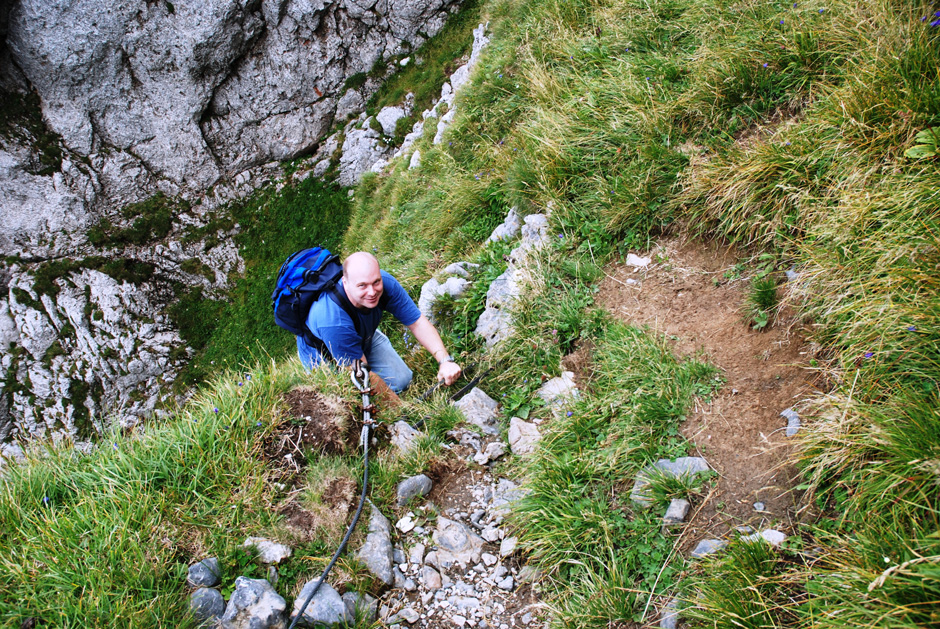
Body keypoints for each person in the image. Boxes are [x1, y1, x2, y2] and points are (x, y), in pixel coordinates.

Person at [296, 251, 462, 392]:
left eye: (376, 282)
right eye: (362, 285)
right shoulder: (333, 320)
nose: (372, 292)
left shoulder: (386, 283)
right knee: (355, 396)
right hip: (323, 354)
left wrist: (445, 361)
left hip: (360, 333)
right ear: (345, 282)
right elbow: (361, 373)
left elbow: (417, 322)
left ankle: (360, 345)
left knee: (402, 381)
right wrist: (403, 415)